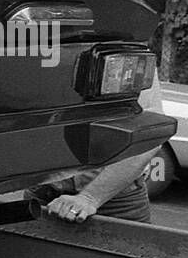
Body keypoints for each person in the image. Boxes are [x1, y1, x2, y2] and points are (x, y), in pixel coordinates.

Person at [30, 71, 166, 224]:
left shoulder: (127, 58)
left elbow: (147, 138)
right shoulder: (31, 54)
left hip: (115, 205)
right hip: (41, 195)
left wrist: (90, 198)